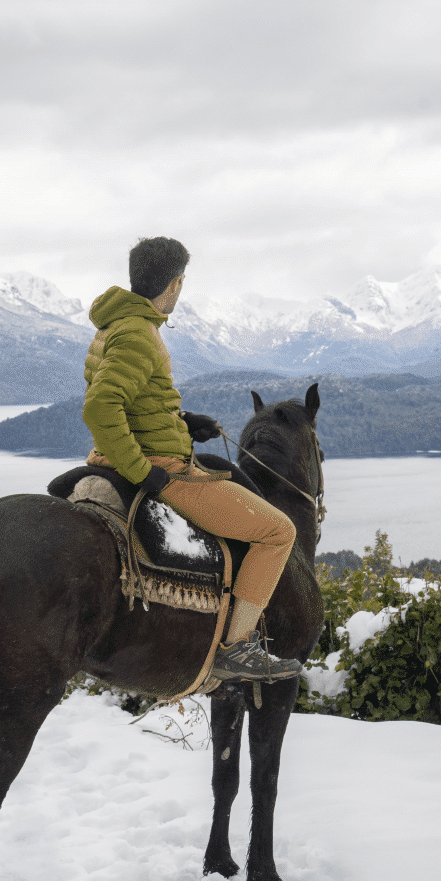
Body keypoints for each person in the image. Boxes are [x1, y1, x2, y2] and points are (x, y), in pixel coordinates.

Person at [82, 236, 301, 683]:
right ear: (175, 284)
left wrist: (180, 420)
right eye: (182, 282)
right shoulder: (140, 334)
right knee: (280, 531)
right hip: (160, 467)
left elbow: (131, 400)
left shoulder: (115, 324)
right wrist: (146, 473)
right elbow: (100, 408)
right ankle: (236, 647)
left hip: (119, 453)